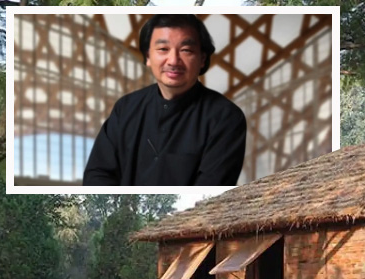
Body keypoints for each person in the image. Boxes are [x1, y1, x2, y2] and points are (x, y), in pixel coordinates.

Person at [83, 14, 246, 186]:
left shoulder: (225, 117)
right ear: (147, 57)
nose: (174, 60)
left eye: (186, 50)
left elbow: (212, 188)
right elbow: (98, 173)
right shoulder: (126, 108)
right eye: (163, 49)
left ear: (202, 59)